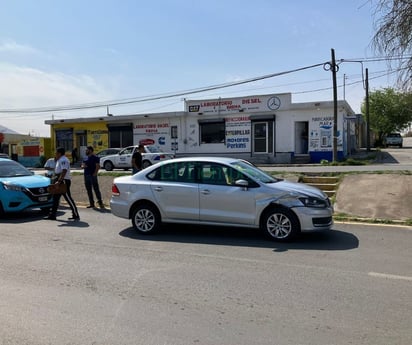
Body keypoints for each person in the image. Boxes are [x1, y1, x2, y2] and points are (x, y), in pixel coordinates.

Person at [45, 147, 80, 221]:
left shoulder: (63, 160)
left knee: (68, 198)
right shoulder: (59, 160)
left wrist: (59, 181)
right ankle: (52, 215)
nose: (55, 154)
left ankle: (75, 214)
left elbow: (64, 171)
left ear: (59, 153)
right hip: (59, 180)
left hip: (63, 182)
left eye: (56, 153)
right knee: (55, 198)